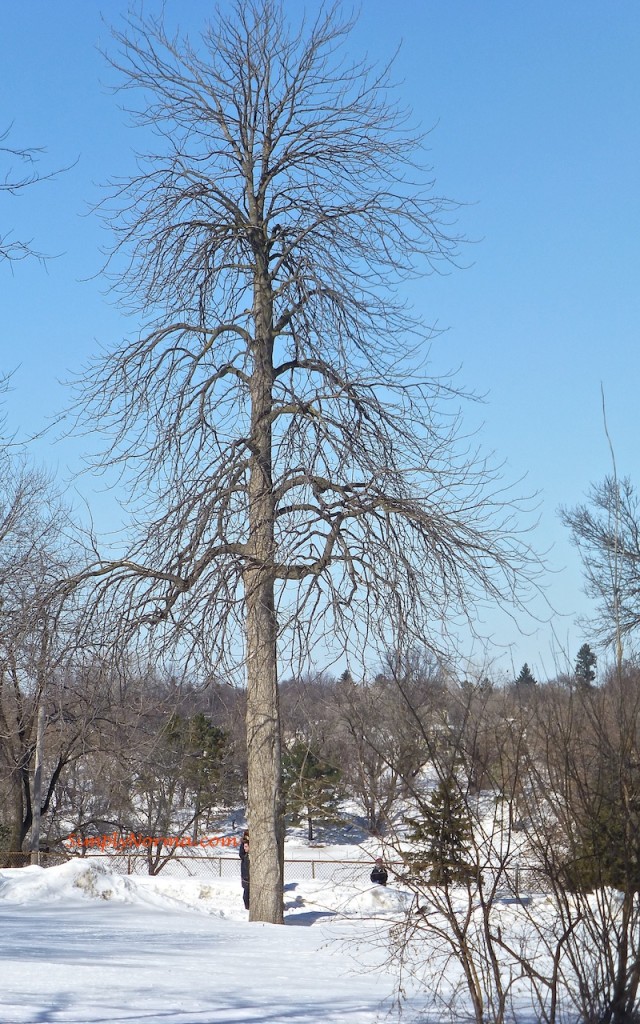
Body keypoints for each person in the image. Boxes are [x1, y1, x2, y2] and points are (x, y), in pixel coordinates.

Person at [240, 838, 250, 909]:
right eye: (244, 846)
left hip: (249, 880)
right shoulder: (245, 856)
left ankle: (248, 909)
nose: (244, 848)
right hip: (245, 879)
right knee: (245, 897)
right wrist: (242, 843)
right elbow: (241, 853)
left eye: (246, 846)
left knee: (246, 897)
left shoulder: (250, 857)